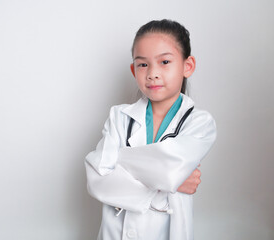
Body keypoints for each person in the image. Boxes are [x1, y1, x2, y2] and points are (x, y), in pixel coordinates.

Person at [85, 19, 217, 240]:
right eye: (143, 64)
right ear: (133, 69)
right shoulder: (118, 116)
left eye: (164, 61)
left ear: (188, 66)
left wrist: (118, 161)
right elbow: (97, 180)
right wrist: (171, 184)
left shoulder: (200, 123)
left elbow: (169, 172)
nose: (152, 73)